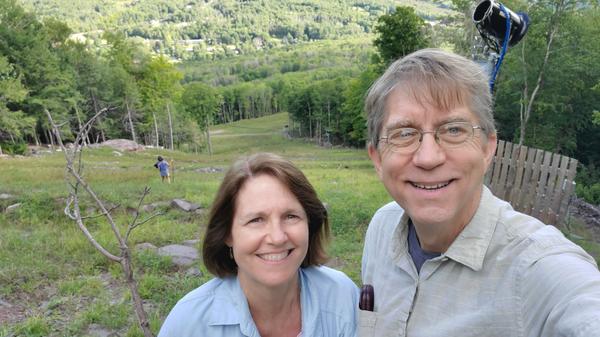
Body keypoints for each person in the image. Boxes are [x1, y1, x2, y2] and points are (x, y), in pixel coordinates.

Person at [360, 48, 600, 337]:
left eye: (453, 130)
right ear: (377, 158)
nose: (428, 157)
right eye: (405, 133)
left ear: (487, 148)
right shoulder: (381, 228)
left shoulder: (539, 269)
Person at [158, 153, 358, 337]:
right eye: (256, 220)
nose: (277, 237)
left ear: (310, 223)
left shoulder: (343, 297)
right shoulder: (189, 323)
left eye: (290, 216)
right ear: (227, 233)